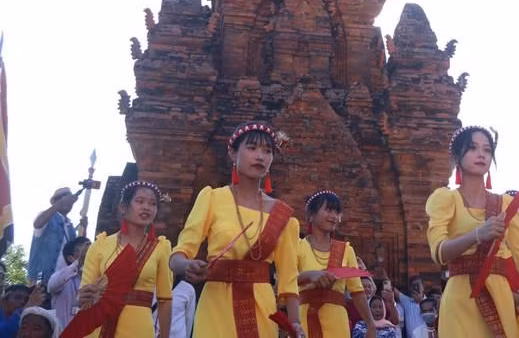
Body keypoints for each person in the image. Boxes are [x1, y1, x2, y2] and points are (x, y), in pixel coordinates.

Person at [170, 122, 302, 338]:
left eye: (267, 151)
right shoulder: (212, 198)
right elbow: (178, 254)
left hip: (262, 308)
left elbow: (288, 279)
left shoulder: (284, 217)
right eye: (252, 148)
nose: (260, 156)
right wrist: (187, 265)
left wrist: (295, 322)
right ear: (233, 153)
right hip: (215, 304)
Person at [426, 125, 519, 336]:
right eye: (473, 148)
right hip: (460, 298)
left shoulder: (506, 204)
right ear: (458, 156)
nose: (481, 154)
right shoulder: (445, 199)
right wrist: (477, 234)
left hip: (500, 298)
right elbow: (438, 252)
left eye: (487, 150)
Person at [74, 180, 172, 338]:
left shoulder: (161, 248)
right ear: (123, 207)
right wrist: (84, 295)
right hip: (99, 324)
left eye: (153, 204)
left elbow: (165, 300)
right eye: (139, 201)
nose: (146, 207)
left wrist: (165, 336)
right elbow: (84, 294)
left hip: (138, 328)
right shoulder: (100, 245)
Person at [297, 190, 375, 338]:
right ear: (311, 215)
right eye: (328, 210)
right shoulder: (298, 246)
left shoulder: (346, 250)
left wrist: (370, 324)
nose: (334, 217)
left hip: (336, 321)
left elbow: (357, 292)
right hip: (304, 318)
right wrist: (310, 275)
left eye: (337, 212)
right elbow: (285, 282)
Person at [29, 188, 78, 284]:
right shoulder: (47, 217)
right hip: (41, 279)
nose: (69, 203)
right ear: (55, 201)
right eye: (64, 198)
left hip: (63, 281)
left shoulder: (70, 227)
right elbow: (37, 224)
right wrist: (59, 204)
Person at [47, 236, 90, 331]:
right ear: (71, 258)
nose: (87, 253)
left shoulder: (92, 280)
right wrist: (78, 263)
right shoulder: (62, 277)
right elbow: (51, 286)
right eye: (81, 250)